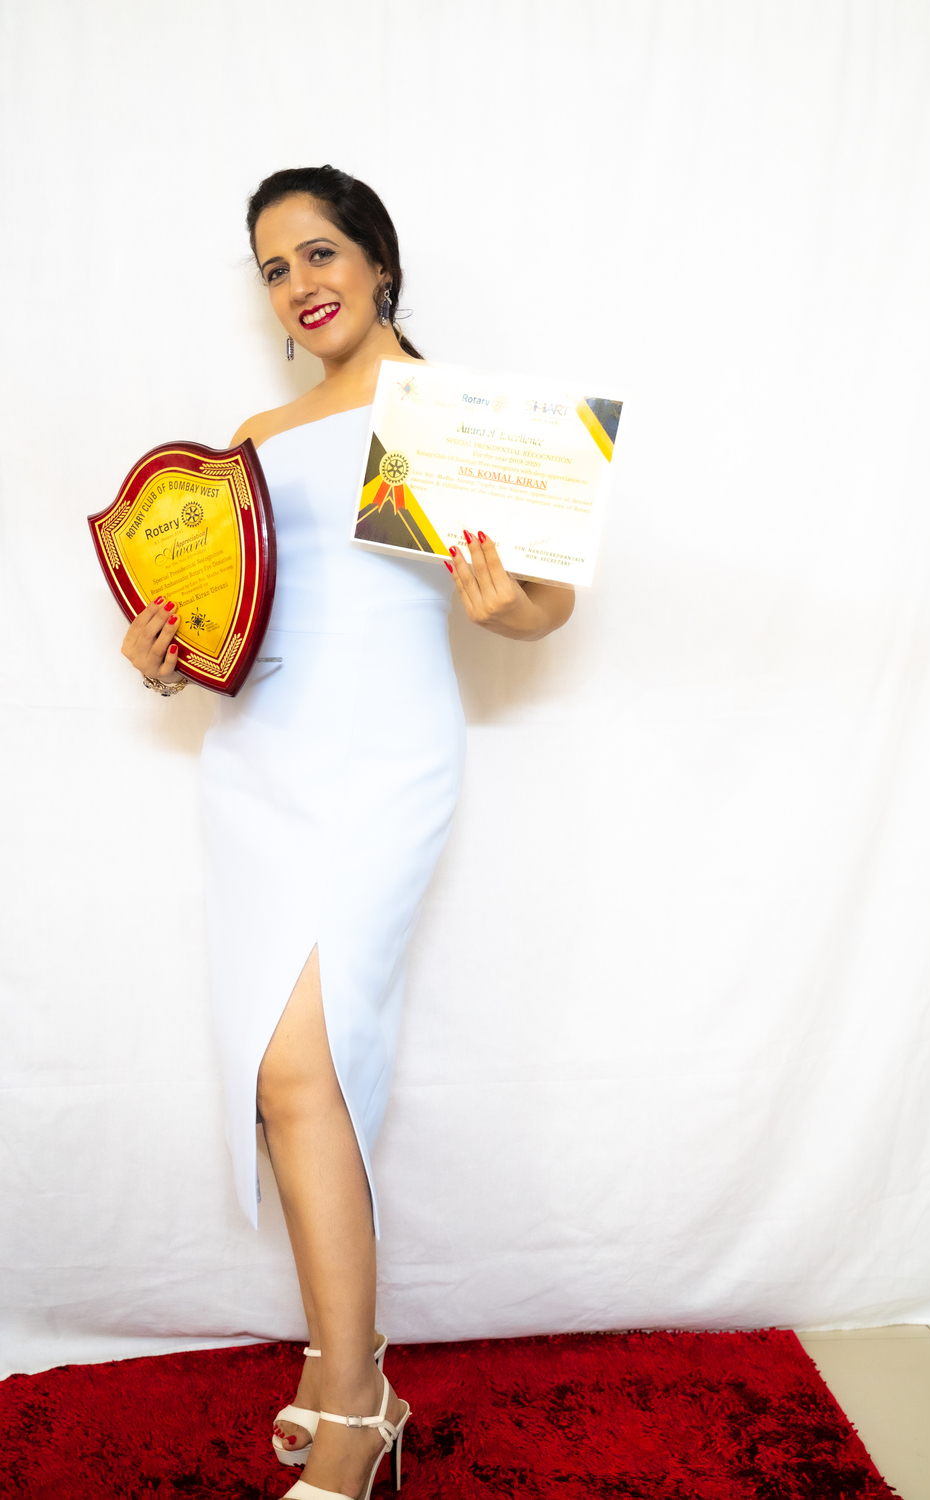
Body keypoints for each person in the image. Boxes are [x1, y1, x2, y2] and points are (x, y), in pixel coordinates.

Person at [119, 166, 574, 1500]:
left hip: (383, 759)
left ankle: (357, 1403)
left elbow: (546, 598)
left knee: (301, 1066)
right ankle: (346, 1367)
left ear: (377, 261)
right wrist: (167, 655)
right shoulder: (252, 436)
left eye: (320, 253)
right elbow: (230, 615)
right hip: (257, 758)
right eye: (274, 268)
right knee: (281, 1075)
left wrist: (509, 611)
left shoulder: (445, 414)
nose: (299, 284)